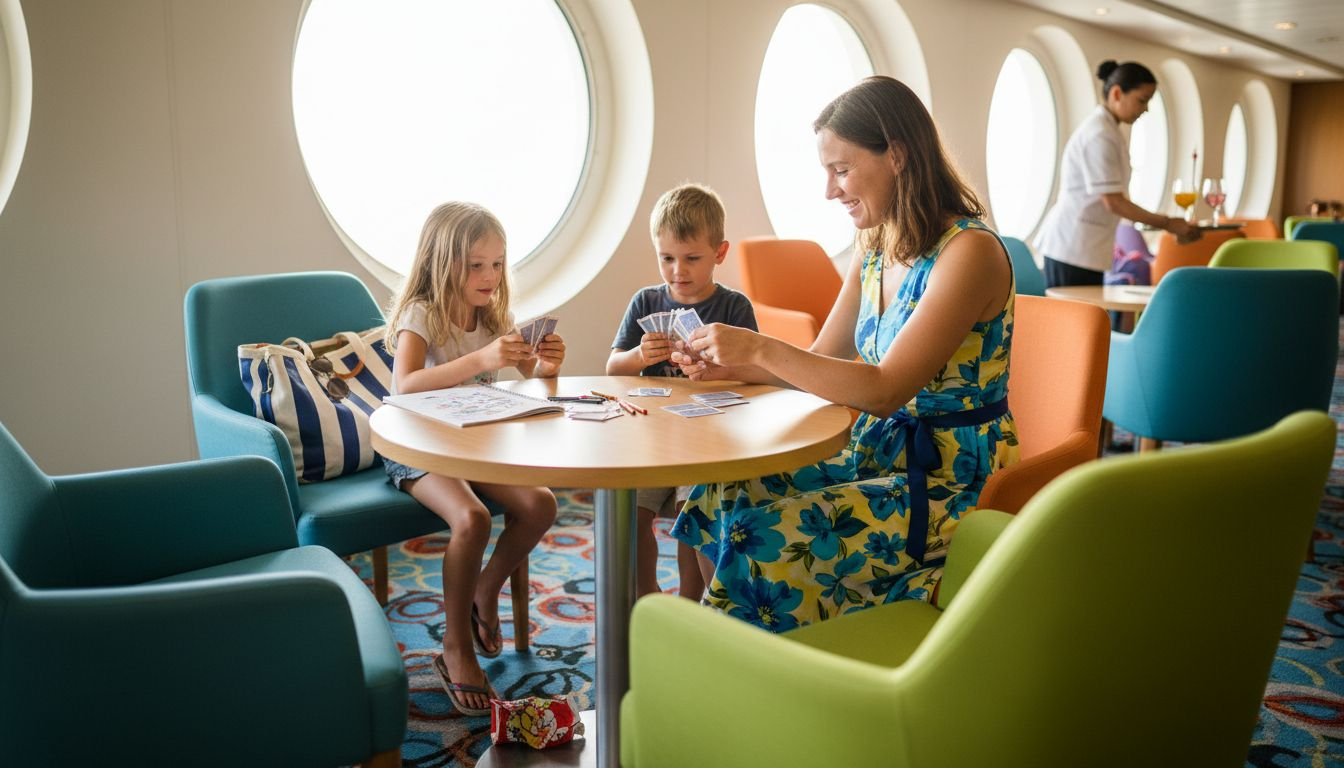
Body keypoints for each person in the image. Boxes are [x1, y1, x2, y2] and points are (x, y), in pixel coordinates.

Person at [667, 75, 1019, 632]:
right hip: (879, 456)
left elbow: (884, 389)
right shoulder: (876, 244)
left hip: (948, 481)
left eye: (841, 169)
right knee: (721, 492)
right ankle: (726, 640)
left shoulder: (969, 253)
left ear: (898, 156)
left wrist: (759, 345)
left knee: (758, 537)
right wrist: (731, 366)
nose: (831, 191)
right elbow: (822, 359)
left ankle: (744, 653)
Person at [382, 201, 563, 716]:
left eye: (498, 263)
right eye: (476, 265)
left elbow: (535, 383)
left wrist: (546, 364)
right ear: (443, 263)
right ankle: (455, 643)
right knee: (471, 517)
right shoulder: (423, 313)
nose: (490, 276)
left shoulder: (492, 316)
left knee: (542, 505)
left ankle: (486, 588)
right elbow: (405, 385)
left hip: (473, 444)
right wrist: (482, 359)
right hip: (416, 446)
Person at [607, 182, 758, 600]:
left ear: (720, 253)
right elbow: (612, 367)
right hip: (650, 437)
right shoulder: (645, 301)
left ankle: (691, 602)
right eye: (667, 258)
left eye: (692, 258)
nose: (678, 271)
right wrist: (639, 354)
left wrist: (717, 368)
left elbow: (754, 373)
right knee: (632, 517)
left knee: (690, 521)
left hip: (706, 439)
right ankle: (645, 596)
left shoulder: (734, 308)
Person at [1034, 60, 1199, 288]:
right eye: (1142, 100)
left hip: (1085, 248)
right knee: (1076, 321)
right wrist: (1168, 223)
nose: (1146, 109)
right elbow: (1114, 202)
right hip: (1072, 247)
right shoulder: (1099, 135)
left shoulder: (1109, 130)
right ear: (1117, 93)